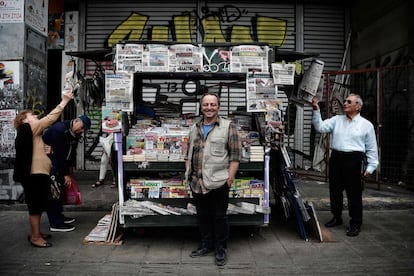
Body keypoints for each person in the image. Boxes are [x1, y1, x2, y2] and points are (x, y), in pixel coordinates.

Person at [185, 92, 242, 266]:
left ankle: (220, 248)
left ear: (218, 107)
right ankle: (206, 244)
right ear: (201, 107)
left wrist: (229, 179)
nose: (209, 108)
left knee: (219, 217)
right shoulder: (195, 127)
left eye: (212, 104)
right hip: (197, 182)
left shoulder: (228, 126)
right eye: (206, 105)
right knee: (203, 215)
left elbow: (235, 156)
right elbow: (188, 153)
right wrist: (188, 172)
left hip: (219, 182)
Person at [311, 94, 379, 237]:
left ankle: (355, 223)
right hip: (336, 157)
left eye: (349, 101)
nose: (345, 103)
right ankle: (337, 217)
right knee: (334, 191)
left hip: (354, 160)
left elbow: (372, 148)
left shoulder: (366, 125)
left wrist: (371, 167)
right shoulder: (337, 120)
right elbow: (320, 127)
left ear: (358, 106)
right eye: (345, 101)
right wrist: (316, 110)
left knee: (354, 193)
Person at [13, 90, 74, 248]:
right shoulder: (29, 128)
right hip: (34, 175)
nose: (36, 117)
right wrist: (64, 101)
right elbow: (50, 118)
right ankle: (35, 237)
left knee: (38, 205)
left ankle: (37, 233)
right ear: (25, 120)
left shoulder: (33, 135)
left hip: (37, 174)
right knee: (35, 207)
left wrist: (49, 151)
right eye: (32, 115)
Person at [42, 114, 91, 232]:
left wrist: (69, 170)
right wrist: (65, 174)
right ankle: (56, 223)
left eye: (84, 130)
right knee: (54, 192)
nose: (82, 130)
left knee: (61, 191)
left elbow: (70, 153)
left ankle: (59, 216)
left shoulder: (74, 133)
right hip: (51, 164)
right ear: (76, 121)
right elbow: (59, 155)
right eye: (82, 127)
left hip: (59, 164)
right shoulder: (60, 130)